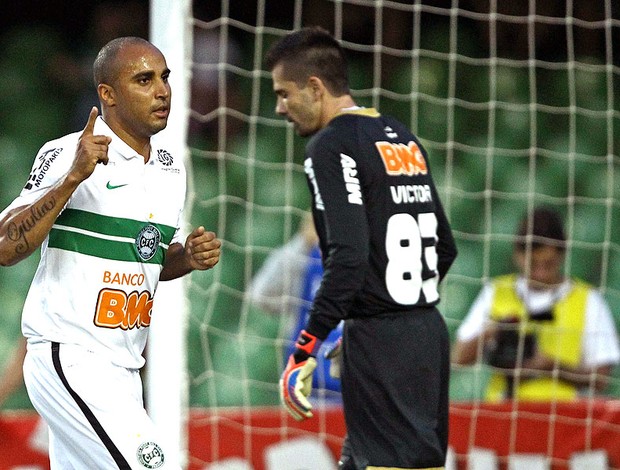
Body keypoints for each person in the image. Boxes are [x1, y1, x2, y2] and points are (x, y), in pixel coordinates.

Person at [0, 37, 221, 469]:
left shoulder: (170, 170)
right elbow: (6, 247)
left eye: (164, 78)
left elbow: (146, 258)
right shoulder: (68, 153)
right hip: (72, 355)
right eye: (144, 79)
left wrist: (185, 258)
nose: (162, 91)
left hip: (123, 365)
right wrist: (71, 180)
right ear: (108, 94)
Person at [265, 27, 458, 469]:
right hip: (426, 335)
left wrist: (305, 348)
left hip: (382, 345)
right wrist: (393, 302)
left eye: (283, 93)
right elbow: (444, 246)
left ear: (314, 88)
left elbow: (349, 256)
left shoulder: (330, 146)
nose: (279, 107)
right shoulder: (400, 135)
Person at [452, 207, 620, 402]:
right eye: (533, 264)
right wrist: (493, 331)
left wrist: (551, 366)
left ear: (562, 255)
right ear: (518, 255)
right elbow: (458, 358)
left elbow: (601, 378)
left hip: (564, 416)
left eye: (548, 264)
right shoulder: (496, 291)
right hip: (504, 410)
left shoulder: (588, 300)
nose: (540, 273)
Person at [248, 212, 343, 394]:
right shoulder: (304, 262)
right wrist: (302, 242)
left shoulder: (365, 261)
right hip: (307, 388)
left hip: (356, 388)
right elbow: (260, 295)